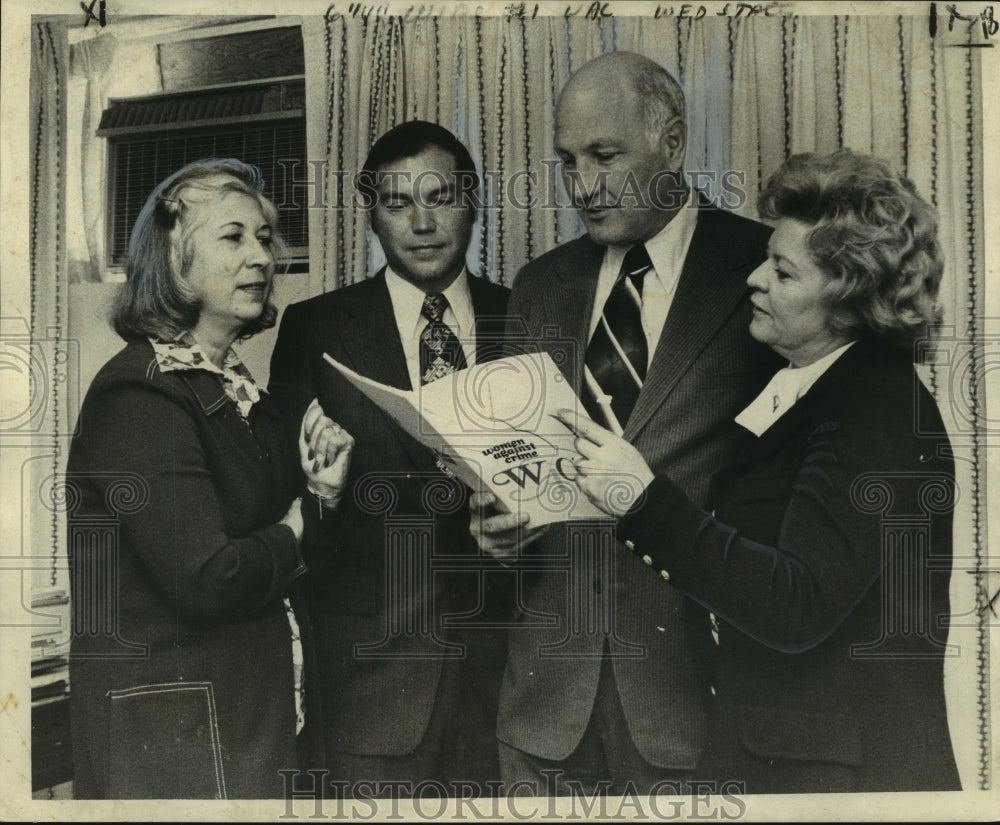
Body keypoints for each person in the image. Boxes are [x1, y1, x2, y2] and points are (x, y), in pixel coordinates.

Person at [559, 148, 961, 793]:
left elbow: (795, 605)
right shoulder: (804, 387)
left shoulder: (876, 411)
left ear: (848, 297)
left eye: (782, 272)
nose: (753, 280)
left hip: (842, 780)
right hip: (783, 753)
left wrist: (641, 498)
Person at [472, 51, 782, 795]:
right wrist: (493, 527)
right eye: (568, 161)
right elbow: (515, 464)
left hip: (696, 698)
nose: (582, 184)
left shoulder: (763, 269)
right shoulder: (541, 286)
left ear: (672, 143)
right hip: (543, 707)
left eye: (605, 155)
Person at [67, 158, 354, 799]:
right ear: (173, 262)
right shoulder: (138, 394)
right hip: (176, 739)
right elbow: (208, 579)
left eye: (263, 237)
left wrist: (324, 494)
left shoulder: (236, 390)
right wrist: (300, 520)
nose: (261, 257)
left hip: (246, 720)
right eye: (233, 238)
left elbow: (295, 555)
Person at [268, 121, 511, 796]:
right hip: (370, 691)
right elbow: (285, 496)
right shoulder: (314, 330)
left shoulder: (525, 316)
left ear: (475, 201)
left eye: (441, 196)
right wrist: (328, 490)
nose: (422, 221)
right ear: (371, 214)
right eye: (398, 202)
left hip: (515, 691)